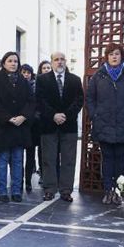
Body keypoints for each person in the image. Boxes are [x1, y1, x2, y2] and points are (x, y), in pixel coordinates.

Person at [86, 44, 124, 205]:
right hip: (104, 123)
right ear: (106, 57)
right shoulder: (99, 75)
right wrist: (95, 115)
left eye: (117, 54)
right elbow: (90, 98)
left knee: (120, 159)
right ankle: (108, 189)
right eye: (111, 54)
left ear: (122, 56)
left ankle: (118, 191)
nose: (114, 57)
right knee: (107, 158)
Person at [0, 51, 36, 203]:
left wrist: (23, 116)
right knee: (2, 161)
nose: (13, 63)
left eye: (15, 61)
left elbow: (31, 102)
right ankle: (2, 191)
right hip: (3, 127)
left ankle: (16, 191)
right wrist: (8, 118)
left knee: (17, 160)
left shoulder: (24, 81)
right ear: (4, 63)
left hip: (20, 127)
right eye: (10, 61)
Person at [36, 52, 83, 202]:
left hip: (69, 126)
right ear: (52, 62)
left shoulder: (75, 80)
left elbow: (79, 100)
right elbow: (40, 101)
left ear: (66, 61)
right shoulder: (42, 79)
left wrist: (65, 115)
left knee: (69, 160)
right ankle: (49, 189)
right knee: (49, 159)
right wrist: (53, 115)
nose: (60, 62)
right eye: (56, 59)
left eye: (62, 59)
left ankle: (66, 190)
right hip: (48, 125)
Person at [21, 63, 37, 192]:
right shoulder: (16, 85)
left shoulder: (36, 86)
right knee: (18, 155)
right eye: (24, 72)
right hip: (19, 125)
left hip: (32, 125)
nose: (26, 75)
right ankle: (19, 180)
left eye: (28, 73)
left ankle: (28, 181)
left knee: (31, 155)